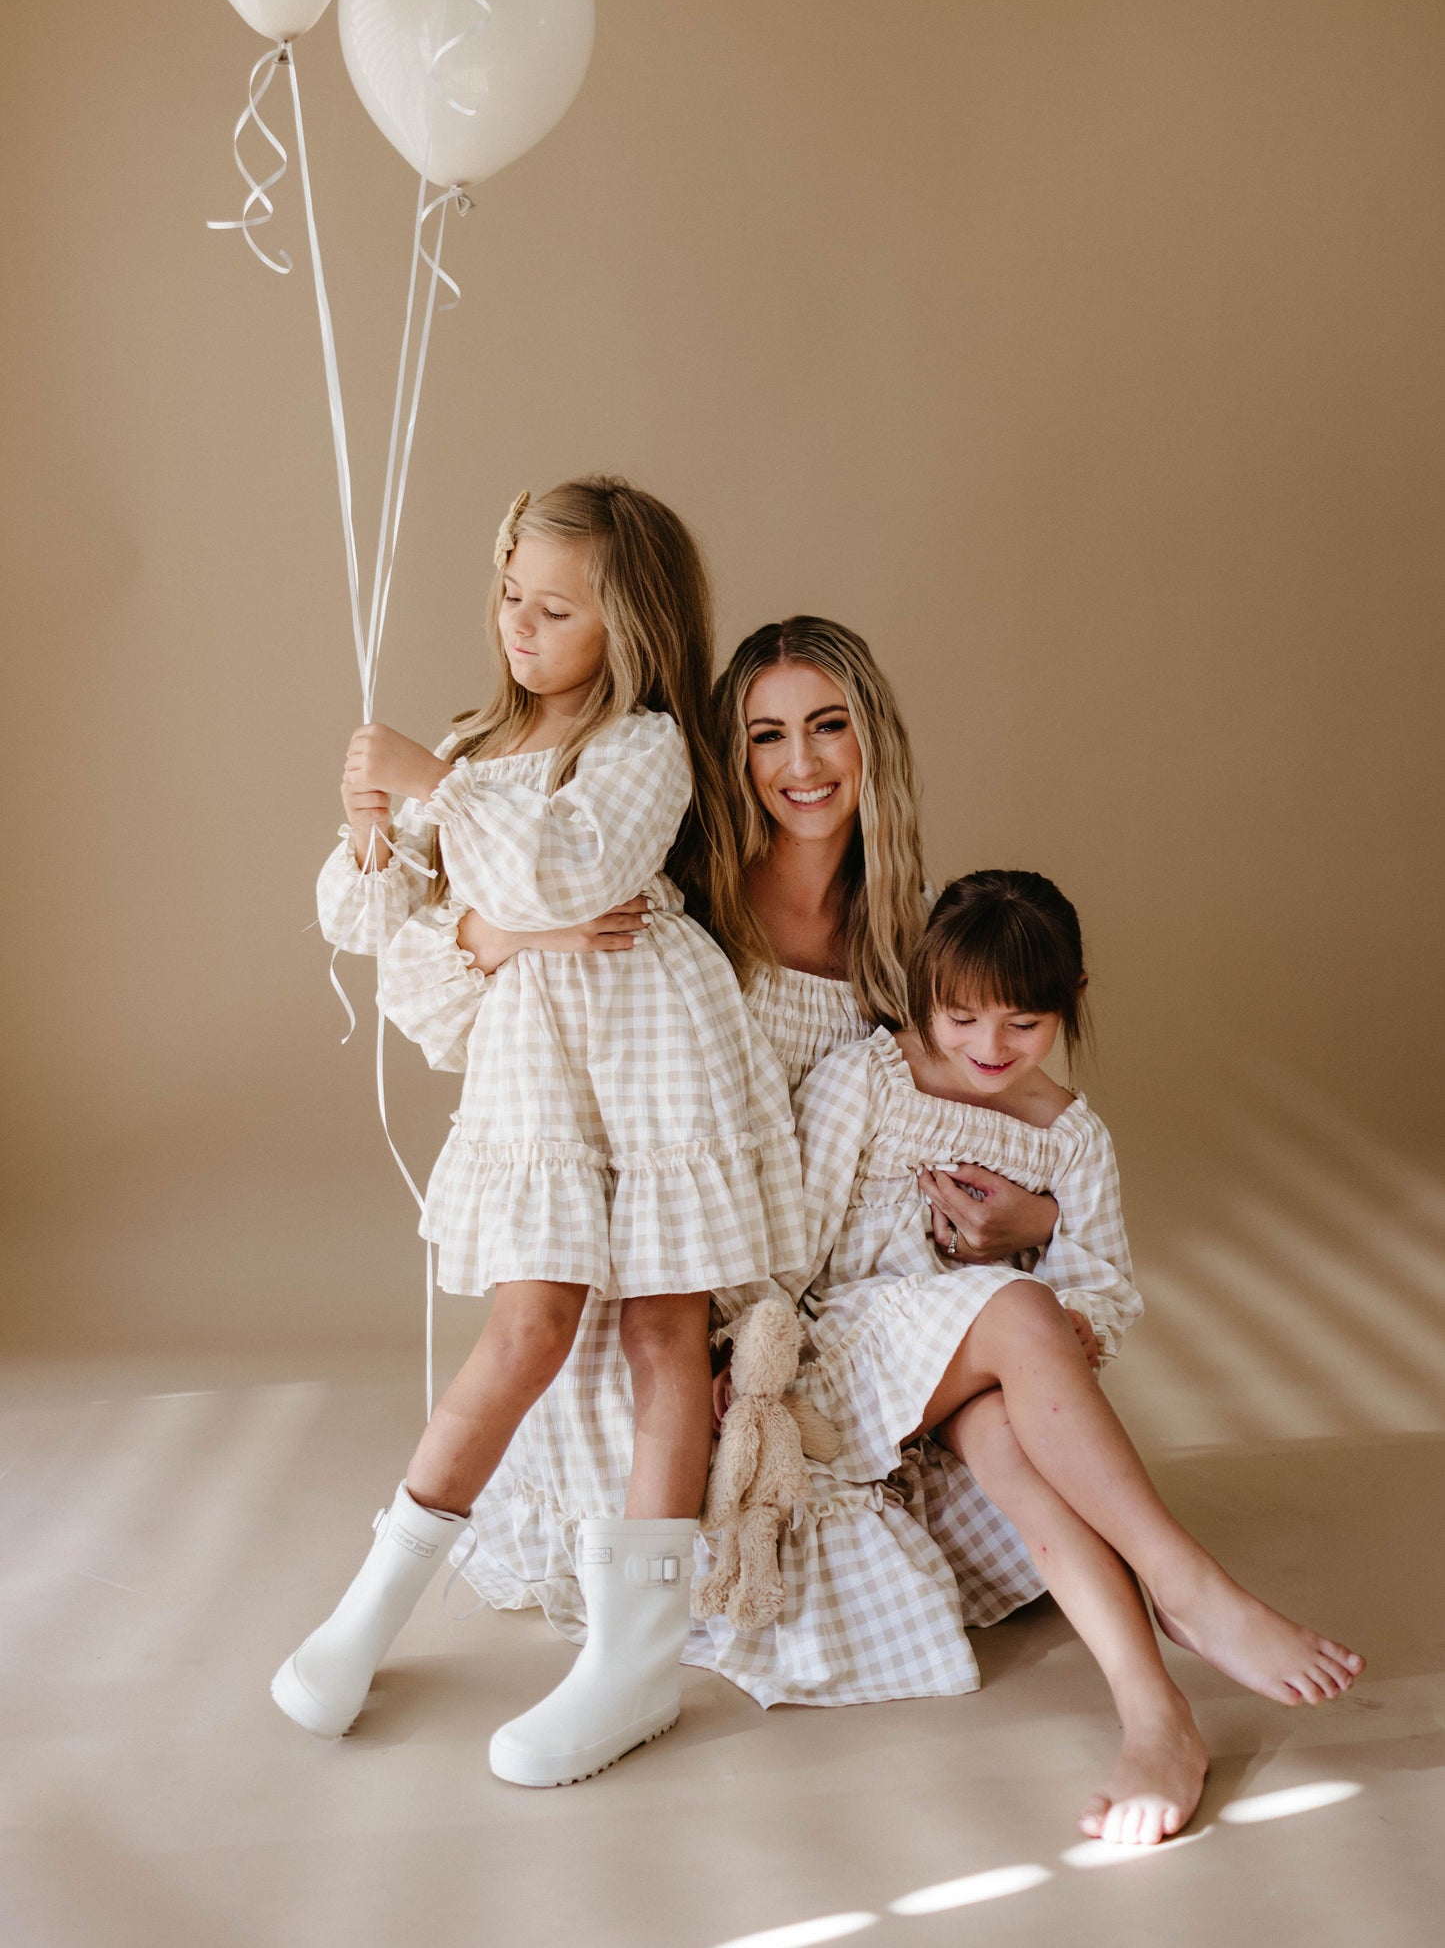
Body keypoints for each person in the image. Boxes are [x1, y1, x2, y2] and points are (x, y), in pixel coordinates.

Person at [271, 479, 806, 1789]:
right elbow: (380, 932)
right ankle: (373, 1603)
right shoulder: (475, 740)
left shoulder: (644, 745)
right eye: (511, 594)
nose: (520, 623)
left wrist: (451, 808)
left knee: (664, 1325)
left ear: (623, 626)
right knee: (525, 1325)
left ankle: (634, 1661)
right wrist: (397, 839)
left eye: (555, 607)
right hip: (536, 1070)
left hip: (652, 1054)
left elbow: (561, 867)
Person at [398, 618, 1057, 1637]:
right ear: (730, 755)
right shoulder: (678, 911)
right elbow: (443, 1004)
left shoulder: (915, 931)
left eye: (827, 726)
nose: (800, 763)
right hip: (673, 1282)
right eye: (764, 735)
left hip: (841, 1278)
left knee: (1005, 1365)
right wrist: (504, 929)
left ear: (869, 739)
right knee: (667, 1434)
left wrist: (1038, 1213)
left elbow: (1008, 1110)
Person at [714, 870, 1363, 1845]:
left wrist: (1046, 1235)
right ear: (922, 988)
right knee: (1019, 1308)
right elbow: (788, 1246)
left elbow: (1100, 1293)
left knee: (1016, 1433)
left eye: (1020, 1024)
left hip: (972, 1383)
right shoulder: (868, 1081)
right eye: (959, 1017)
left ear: (1070, 1002)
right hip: (846, 1353)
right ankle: (1188, 1587)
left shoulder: (1071, 1139)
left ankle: (1155, 1718)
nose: (985, 1048)